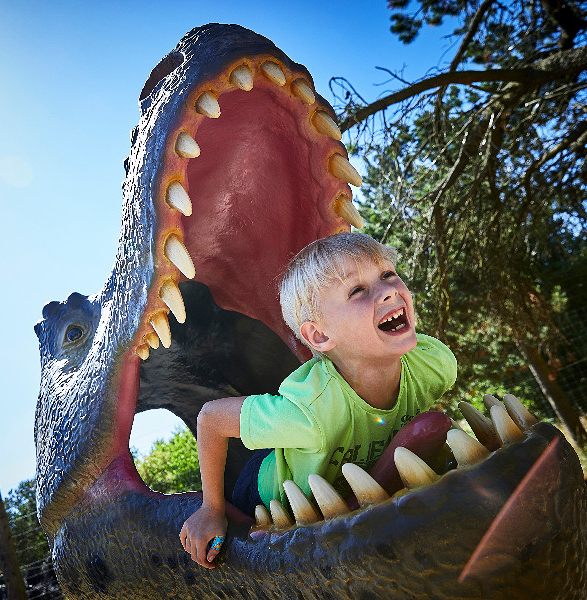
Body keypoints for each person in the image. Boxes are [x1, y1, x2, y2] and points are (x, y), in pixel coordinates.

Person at [179, 232, 457, 568]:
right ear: (320, 335)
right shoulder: (310, 412)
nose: (388, 291)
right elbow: (210, 417)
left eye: (388, 275)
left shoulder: (435, 365)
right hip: (266, 489)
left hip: (343, 465)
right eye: (357, 291)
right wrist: (213, 508)